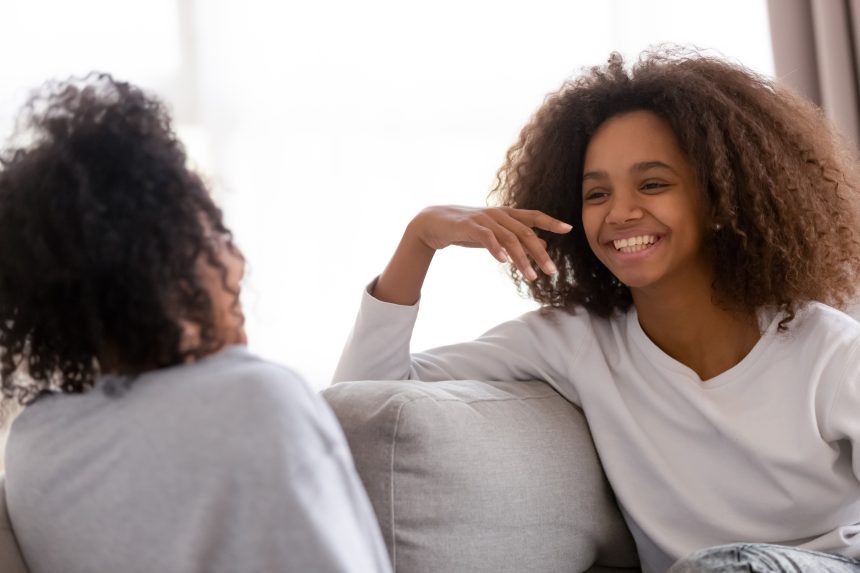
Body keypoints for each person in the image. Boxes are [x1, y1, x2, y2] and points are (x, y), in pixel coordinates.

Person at [333, 48, 860, 573]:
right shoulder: (578, 341)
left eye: (652, 184)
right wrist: (419, 240)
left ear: (722, 199)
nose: (621, 212)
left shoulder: (831, 354)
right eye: (596, 193)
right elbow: (360, 404)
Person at [0, 74, 392, 573]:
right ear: (157, 266)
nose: (237, 262)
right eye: (211, 235)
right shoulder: (254, 398)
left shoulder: (36, 439)